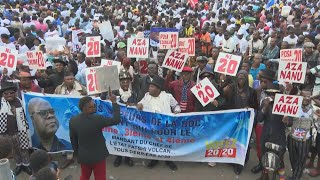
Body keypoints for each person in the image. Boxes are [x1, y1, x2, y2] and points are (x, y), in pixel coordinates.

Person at [69, 95, 121, 180]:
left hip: (84, 157)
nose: (95, 108)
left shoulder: (73, 120)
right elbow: (116, 120)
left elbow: (73, 140)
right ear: (86, 109)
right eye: (93, 106)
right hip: (99, 157)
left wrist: (78, 154)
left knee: (84, 176)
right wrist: (114, 102)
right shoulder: (98, 119)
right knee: (100, 177)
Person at [137, 76, 180, 171]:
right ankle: (154, 160)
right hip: (152, 127)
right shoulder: (146, 96)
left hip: (165, 127)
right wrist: (139, 105)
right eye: (149, 86)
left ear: (158, 88)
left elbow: (176, 105)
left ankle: (169, 160)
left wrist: (177, 110)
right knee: (154, 143)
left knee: (167, 144)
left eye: (152, 86)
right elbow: (139, 104)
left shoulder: (168, 96)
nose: (149, 88)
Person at [0, 81, 32, 176]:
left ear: (15, 93)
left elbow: (29, 101)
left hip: (20, 131)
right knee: (14, 151)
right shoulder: (1, 103)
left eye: (11, 93)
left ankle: (26, 165)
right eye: (6, 93)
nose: (9, 95)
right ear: (3, 94)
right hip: (6, 133)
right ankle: (19, 165)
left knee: (23, 149)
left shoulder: (20, 101)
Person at [286, 89, 313, 180]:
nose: (306, 98)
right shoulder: (293, 106)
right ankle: (295, 174)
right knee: (293, 159)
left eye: (308, 96)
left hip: (305, 141)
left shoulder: (315, 109)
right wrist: (286, 121)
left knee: (301, 161)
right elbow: (289, 123)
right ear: (299, 96)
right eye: (303, 96)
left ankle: (296, 177)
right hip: (292, 139)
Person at [112, 69, 136, 167]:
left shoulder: (133, 93)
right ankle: (118, 157)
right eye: (122, 81)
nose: (125, 83)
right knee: (118, 139)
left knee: (128, 139)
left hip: (129, 121)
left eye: (127, 81)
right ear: (119, 82)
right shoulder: (115, 93)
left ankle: (128, 157)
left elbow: (136, 105)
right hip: (118, 121)